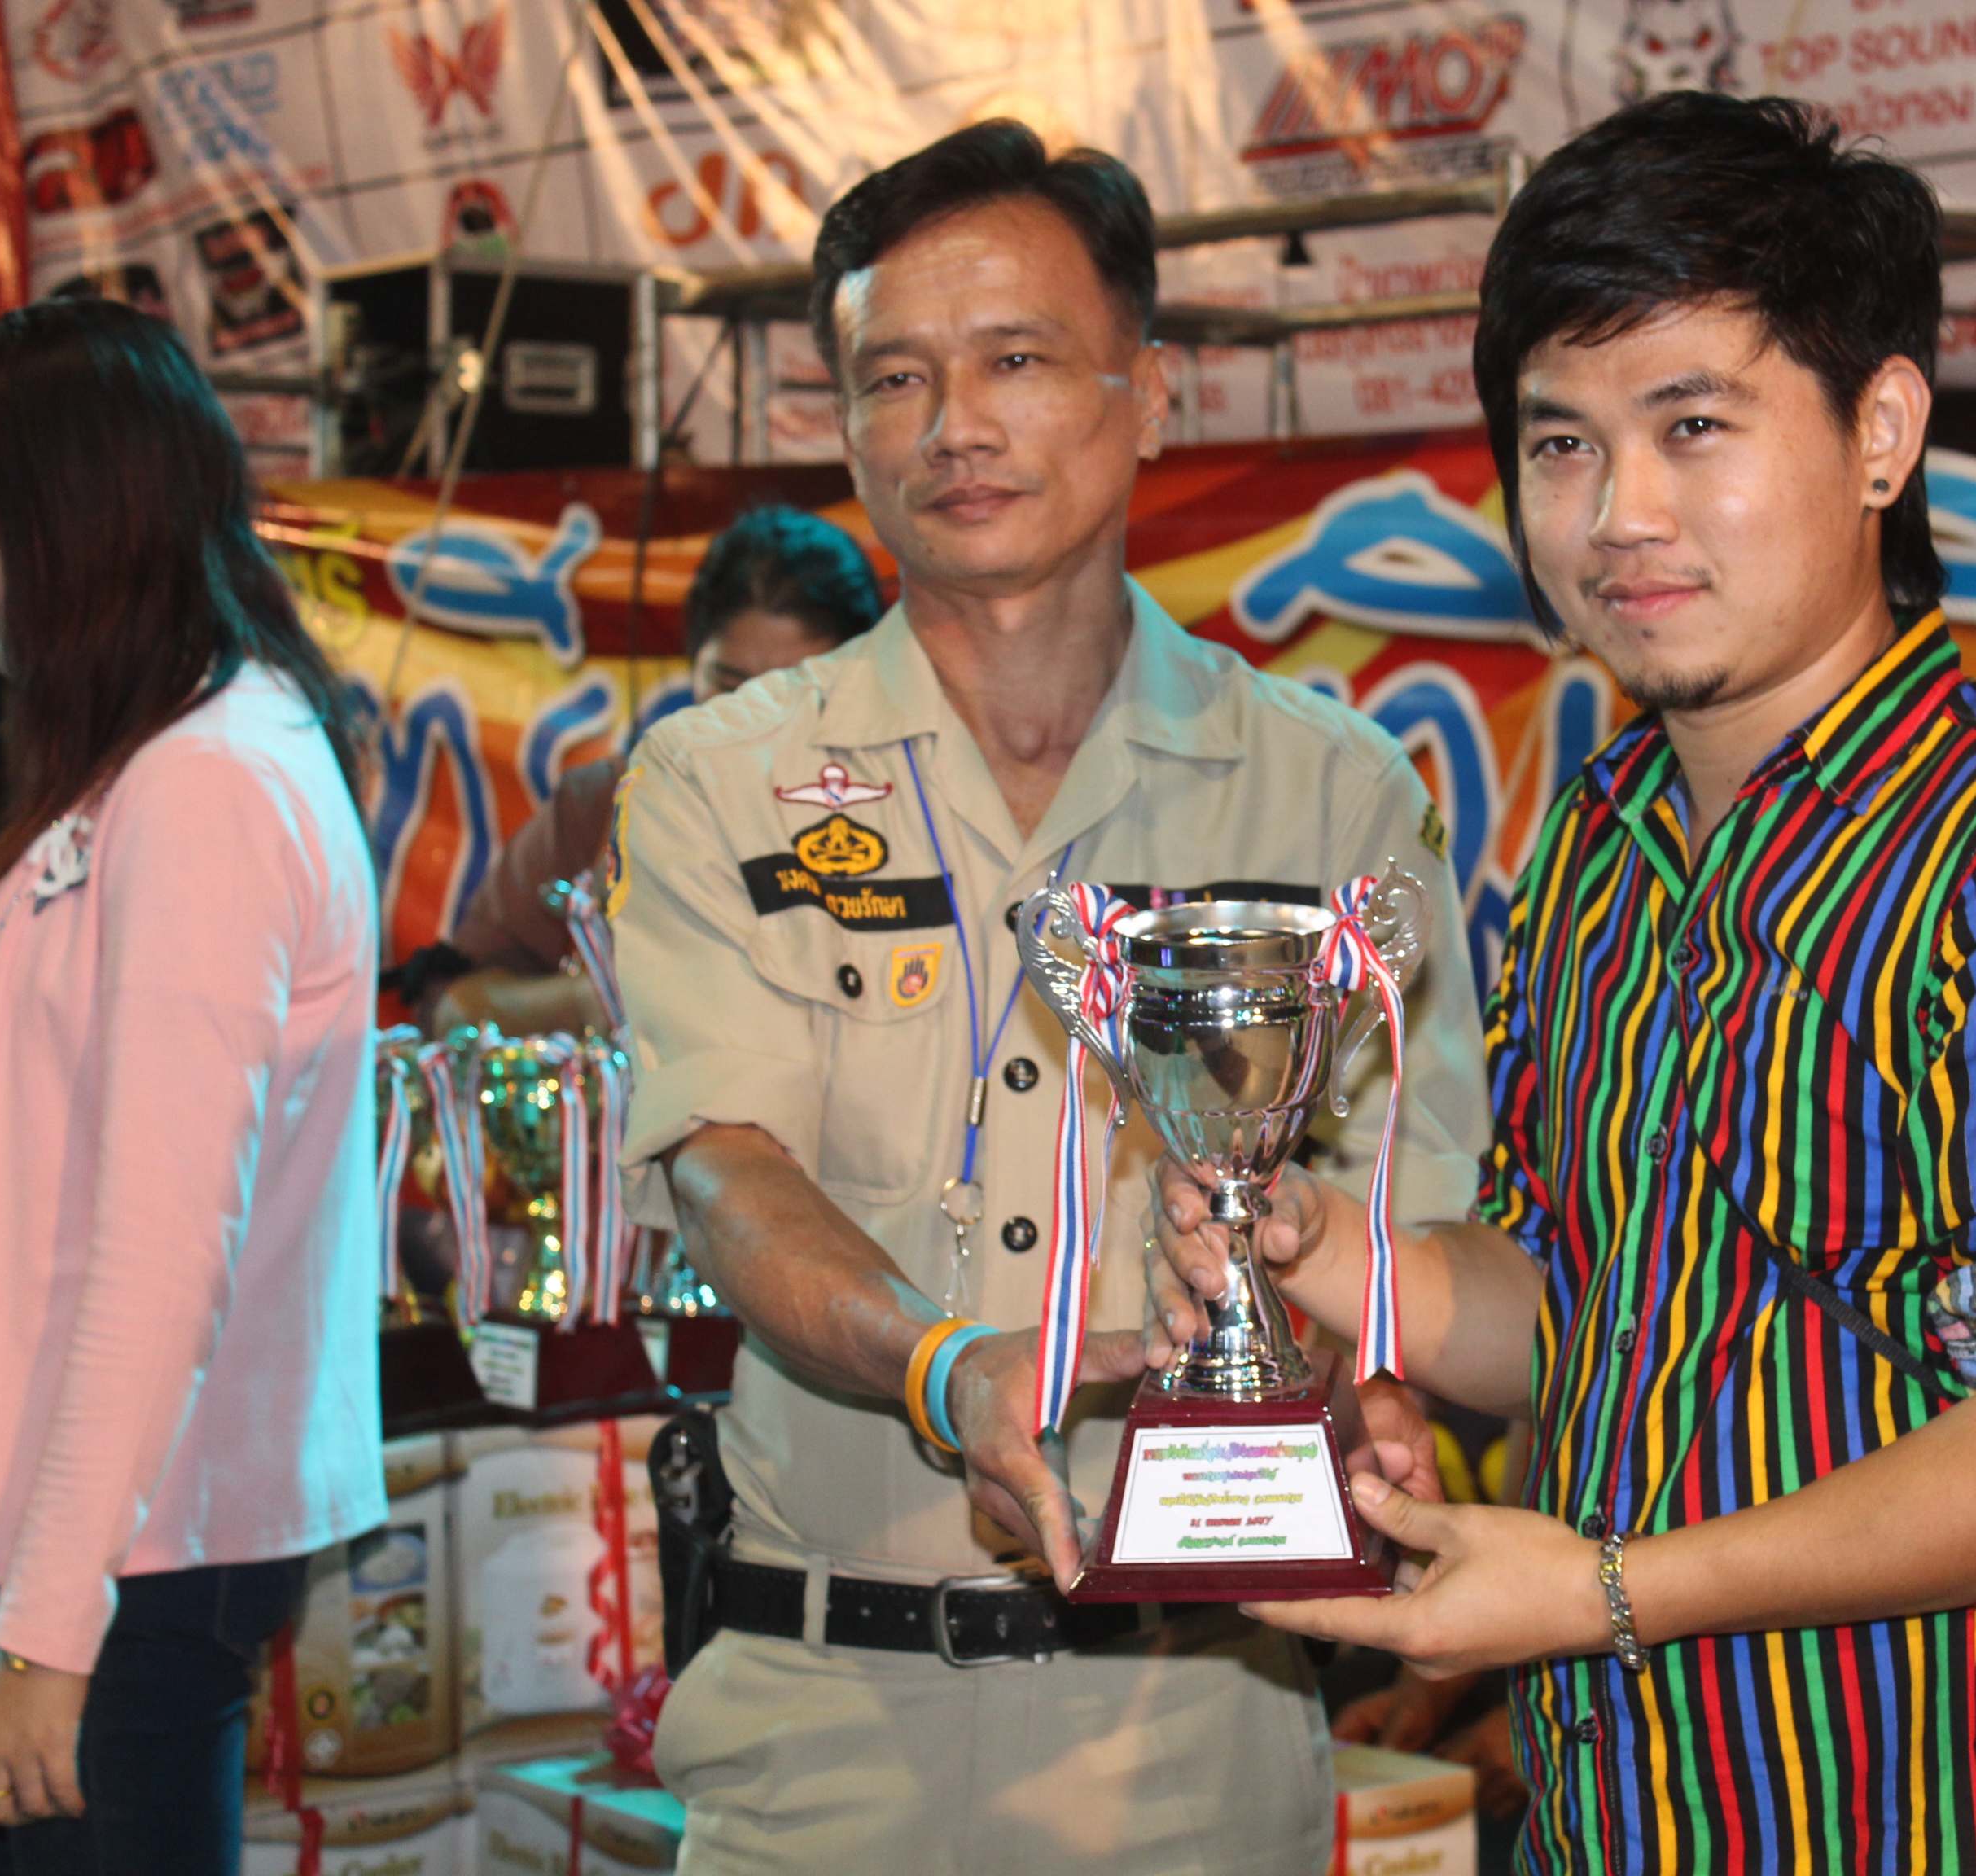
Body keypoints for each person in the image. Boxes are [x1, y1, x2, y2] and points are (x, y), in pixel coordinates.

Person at [1150, 92, 1976, 1874]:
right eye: (1561, 442)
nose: (1620, 514)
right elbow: (1580, 1305)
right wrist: (1322, 1253)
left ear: (1881, 430)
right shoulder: (1603, 845)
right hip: (1610, 1817)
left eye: (1693, 424)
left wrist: (1604, 1587)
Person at [608, 121, 1488, 1874]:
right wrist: (946, 1368)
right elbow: (720, 1164)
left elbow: (1417, 1219)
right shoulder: (723, 778)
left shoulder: (1329, 791)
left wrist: (1326, 1365)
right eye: (895, 376)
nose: (954, 423)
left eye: (1016, 359)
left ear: (1148, 394)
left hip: (1193, 1734)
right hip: (819, 1739)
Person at [0, 300, 385, 1873]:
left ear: (58, 522)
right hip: (66, 1543)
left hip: (110, 1563)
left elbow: (158, 1247)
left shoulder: (208, 780)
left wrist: (48, 1626)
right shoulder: (157, 761)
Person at [407, 505, 883, 1037]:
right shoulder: (608, 802)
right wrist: (589, 1000)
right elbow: (451, 1006)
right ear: (692, 663)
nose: (754, 722)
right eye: (729, 687)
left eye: (791, 693)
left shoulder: (906, 811)